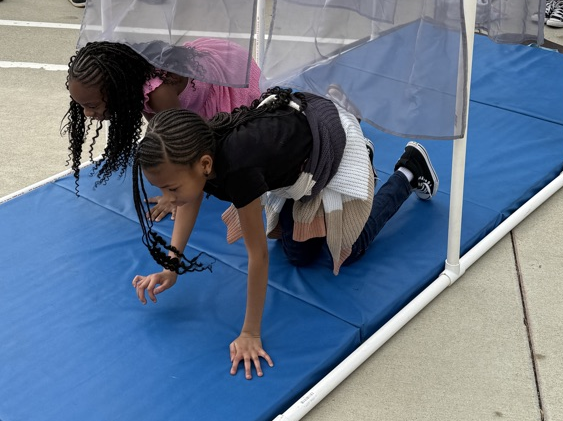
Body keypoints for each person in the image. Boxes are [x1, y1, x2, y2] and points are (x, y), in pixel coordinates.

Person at [130, 89, 439, 380]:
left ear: (205, 165)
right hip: (295, 155)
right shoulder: (200, 155)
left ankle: (408, 171)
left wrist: (250, 332)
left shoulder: (236, 169)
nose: (168, 198)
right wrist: (171, 266)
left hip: (327, 142)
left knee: (349, 247)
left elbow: (258, 256)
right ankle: (363, 161)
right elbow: (189, 198)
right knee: (298, 254)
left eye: (171, 188)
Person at [64, 38, 262, 200]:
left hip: (228, 70)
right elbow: (159, 129)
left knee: (229, 152)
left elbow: (182, 143)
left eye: (92, 105)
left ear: (117, 90)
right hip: (204, 72)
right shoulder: (134, 88)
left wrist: (172, 196)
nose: (87, 113)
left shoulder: (159, 94)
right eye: (81, 106)